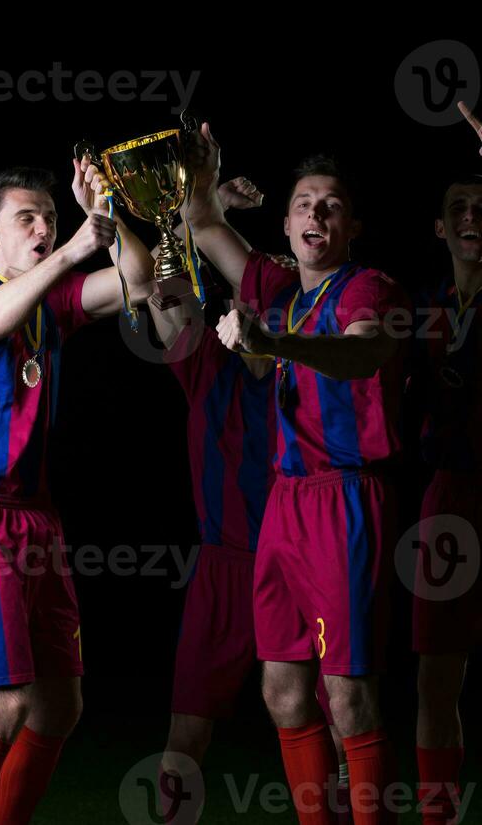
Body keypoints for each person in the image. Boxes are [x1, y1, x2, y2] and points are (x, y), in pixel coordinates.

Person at [183, 125, 407, 825]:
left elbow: (359, 356)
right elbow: (199, 222)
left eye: (330, 205)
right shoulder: (274, 285)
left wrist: (272, 343)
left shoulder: (368, 286)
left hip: (345, 498)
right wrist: (203, 173)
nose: (315, 214)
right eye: (303, 203)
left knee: (345, 694)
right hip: (283, 503)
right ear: (283, 222)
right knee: (281, 692)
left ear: (350, 226)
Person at [0, 156, 155, 825]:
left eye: (50, 219)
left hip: (38, 519)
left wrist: (107, 221)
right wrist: (74, 250)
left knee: (61, 704)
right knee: (3, 704)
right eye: (26, 218)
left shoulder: (52, 303)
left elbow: (140, 282)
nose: (42, 229)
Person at [151, 178, 351, 824]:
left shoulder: (308, 367)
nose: (252, 301)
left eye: (270, 292)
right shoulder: (202, 361)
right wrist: (193, 216)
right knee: (185, 736)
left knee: (344, 723)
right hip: (223, 568)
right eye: (246, 289)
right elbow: (159, 286)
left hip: (304, 562)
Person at [410, 100, 482, 825]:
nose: (470, 216)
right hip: (447, 498)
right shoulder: (420, 309)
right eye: (457, 207)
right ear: (439, 227)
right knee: (436, 676)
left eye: (481, 205)